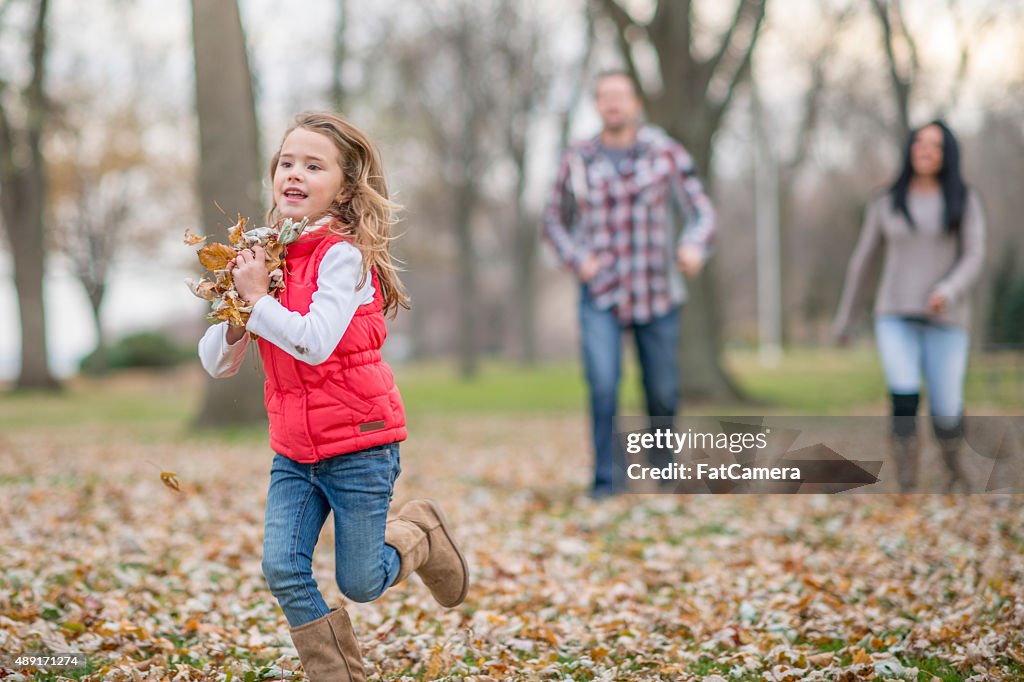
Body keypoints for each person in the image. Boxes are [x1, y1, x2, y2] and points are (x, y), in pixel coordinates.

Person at [198, 112, 469, 681]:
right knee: (282, 569)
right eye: (287, 163)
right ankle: (339, 673)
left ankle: (418, 532)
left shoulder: (342, 256)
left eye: (313, 166)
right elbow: (217, 363)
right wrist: (240, 313)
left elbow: (316, 343)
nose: (293, 174)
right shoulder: (263, 255)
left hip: (360, 446)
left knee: (361, 581)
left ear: (344, 187)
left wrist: (259, 301)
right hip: (294, 451)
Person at [543, 70, 716, 498]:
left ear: (636, 103)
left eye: (621, 95)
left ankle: (664, 470)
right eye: (605, 96)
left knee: (662, 391)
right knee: (603, 385)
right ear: (598, 105)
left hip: (656, 292)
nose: (613, 103)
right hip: (600, 293)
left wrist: (693, 246)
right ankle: (606, 479)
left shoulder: (666, 153)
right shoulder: (577, 158)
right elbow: (552, 221)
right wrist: (578, 259)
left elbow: (701, 211)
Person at [833, 120, 985, 492]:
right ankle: (907, 479)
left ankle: (953, 471)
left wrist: (948, 290)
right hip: (895, 315)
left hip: (946, 318)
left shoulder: (964, 199)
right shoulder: (886, 201)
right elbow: (863, 262)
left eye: (934, 144)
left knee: (947, 405)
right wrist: (846, 321)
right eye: (919, 142)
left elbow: (975, 255)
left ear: (946, 153)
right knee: (903, 393)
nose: (925, 149)